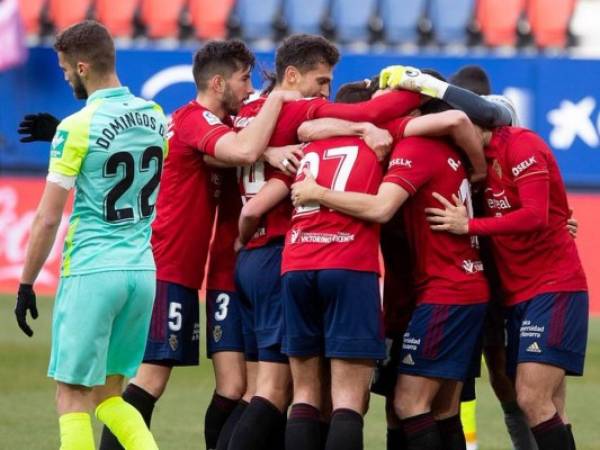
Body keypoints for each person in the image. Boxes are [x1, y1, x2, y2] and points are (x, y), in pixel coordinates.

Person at [95, 39, 300, 450]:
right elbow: (242, 149)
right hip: (165, 265)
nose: (248, 89)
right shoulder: (192, 119)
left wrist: (271, 150)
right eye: (244, 80)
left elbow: (232, 155)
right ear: (219, 83)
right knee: (151, 377)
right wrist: (278, 100)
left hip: (185, 269)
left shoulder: (208, 130)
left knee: (234, 384)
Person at [224, 35, 424, 450]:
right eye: (321, 81)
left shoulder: (248, 116)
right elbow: (372, 112)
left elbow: (219, 158)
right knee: (323, 397)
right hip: (316, 257)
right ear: (293, 75)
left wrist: (241, 240)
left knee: (287, 393)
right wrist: (417, 89)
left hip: (279, 260)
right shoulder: (303, 113)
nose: (325, 92)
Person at [291, 97, 490, 450]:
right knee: (439, 408)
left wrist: (318, 192)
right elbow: (307, 127)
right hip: (444, 288)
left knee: (408, 404)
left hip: (444, 290)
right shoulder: (442, 149)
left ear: (414, 114)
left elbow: (382, 208)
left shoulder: (415, 147)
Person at [14, 20, 168, 450]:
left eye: (66, 71)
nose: (65, 78)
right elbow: (119, 148)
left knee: (72, 395)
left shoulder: (77, 128)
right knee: (110, 396)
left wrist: (26, 282)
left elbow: (47, 218)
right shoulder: (155, 117)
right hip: (141, 271)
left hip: (92, 271)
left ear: (82, 67)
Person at [425, 110, 588, 450]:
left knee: (531, 398)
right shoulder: (476, 165)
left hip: (552, 285)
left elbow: (534, 215)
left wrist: (467, 225)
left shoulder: (521, 145)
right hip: (517, 295)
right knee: (549, 405)